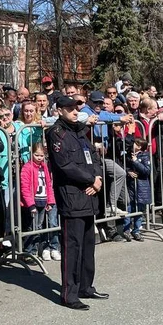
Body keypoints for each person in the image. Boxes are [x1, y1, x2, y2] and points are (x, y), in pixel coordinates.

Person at [46, 94, 108, 311]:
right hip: (72, 195)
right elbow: (65, 166)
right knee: (72, 246)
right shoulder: (57, 133)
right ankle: (69, 294)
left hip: (90, 194)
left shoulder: (79, 131)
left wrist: (98, 178)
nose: (75, 111)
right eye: (70, 108)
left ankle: (85, 286)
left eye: (76, 107)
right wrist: (91, 179)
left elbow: (95, 157)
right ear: (60, 111)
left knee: (88, 244)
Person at [19, 142, 55, 258]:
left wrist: (50, 201)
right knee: (31, 227)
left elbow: (48, 185)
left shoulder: (44, 167)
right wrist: (31, 205)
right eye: (36, 155)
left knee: (38, 227)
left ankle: (34, 251)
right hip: (32, 203)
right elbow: (25, 187)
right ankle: (28, 252)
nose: (39, 158)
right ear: (31, 154)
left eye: (41, 155)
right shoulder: (27, 167)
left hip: (42, 201)